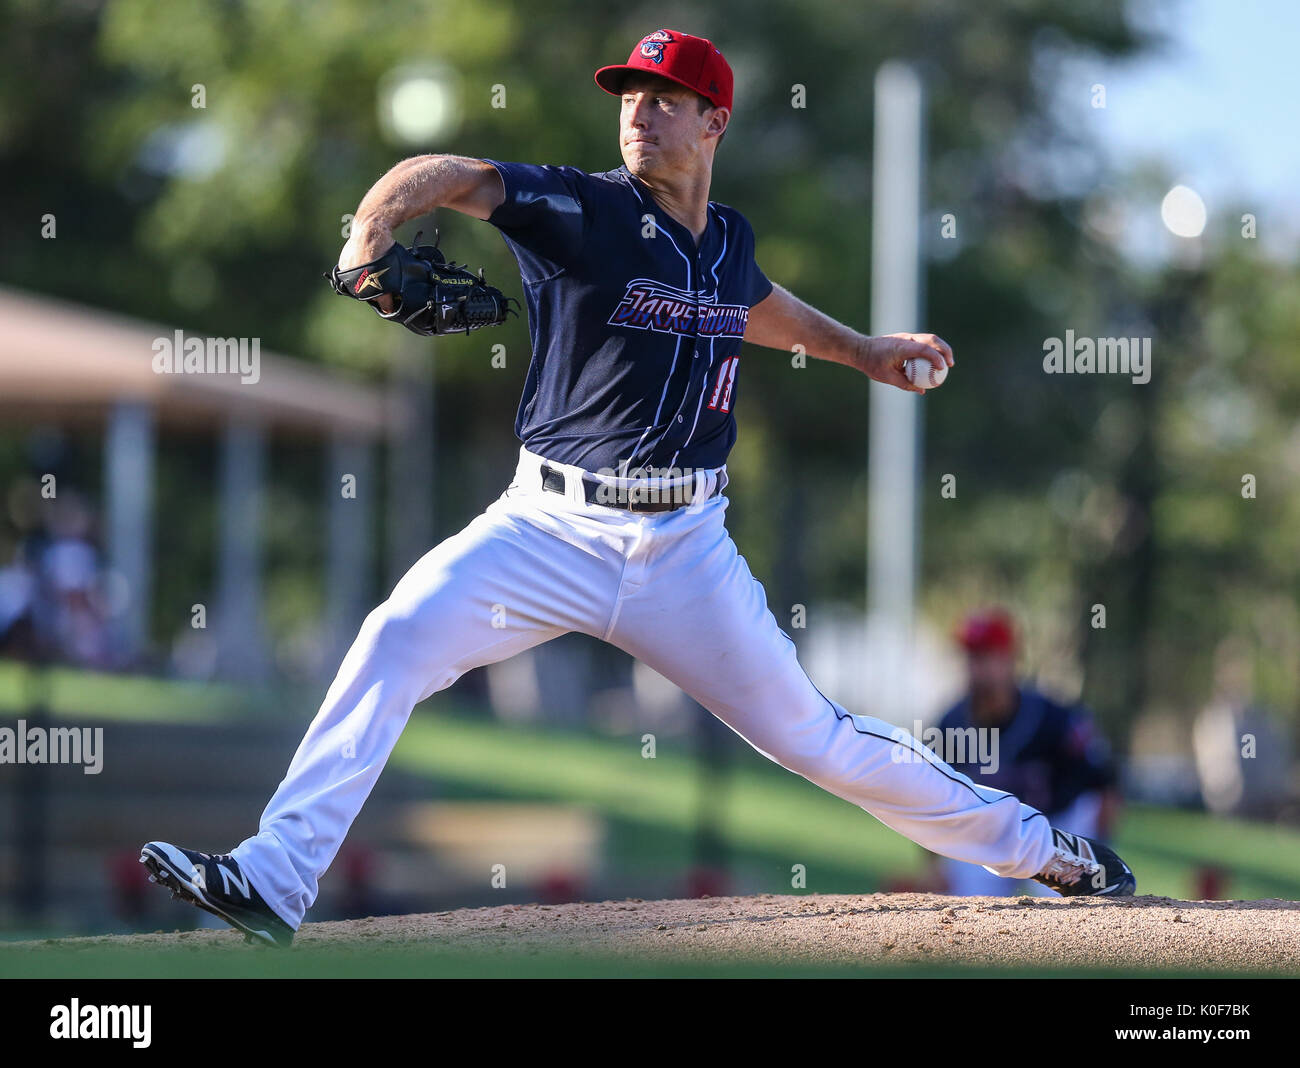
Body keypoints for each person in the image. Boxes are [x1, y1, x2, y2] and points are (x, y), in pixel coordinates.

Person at [140, 29, 1135, 947]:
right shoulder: (584, 210)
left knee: (819, 741)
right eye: (631, 94)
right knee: (395, 639)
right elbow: (451, 175)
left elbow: (760, 309)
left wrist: (864, 352)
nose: (640, 110)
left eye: (666, 96)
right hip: (545, 529)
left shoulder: (726, 241)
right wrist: (368, 235)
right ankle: (274, 880)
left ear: (715, 121)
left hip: (685, 550)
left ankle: (1043, 852)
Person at [931, 609, 1121, 896]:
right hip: (995, 832)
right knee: (969, 899)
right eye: (971, 656)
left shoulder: (1053, 717)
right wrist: (935, 866)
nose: (976, 667)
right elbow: (932, 797)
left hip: (1057, 826)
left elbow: (1104, 785)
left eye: (986, 656)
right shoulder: (951, 723)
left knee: (1064, 908)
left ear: (1009, 659)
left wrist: (1100, 849)